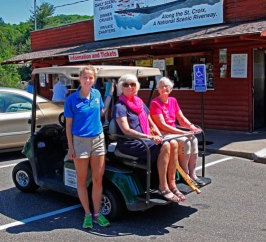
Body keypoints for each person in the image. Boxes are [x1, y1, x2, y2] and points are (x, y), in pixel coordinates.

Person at [113, 74, 185, 203]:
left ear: (136, 87)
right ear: (121, 87)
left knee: (173, 143)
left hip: (144, 139)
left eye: (133, 84)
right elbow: (126, 130)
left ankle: (172, 183)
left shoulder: (139, 102)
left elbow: (150, 121)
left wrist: (158, 135)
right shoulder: (120, 106)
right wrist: (150, 137)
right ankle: (163, 187)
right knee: (166, 145)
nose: (130, 87)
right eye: (126, 84)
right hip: (130, 142)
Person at [64, 65, 113, 229]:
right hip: (80, 142)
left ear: (94, 79)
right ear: (80, 78)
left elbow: (100, 114)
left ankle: (97, 214)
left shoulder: (97, 94)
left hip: (98, 139)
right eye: (85, 77)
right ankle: (87, 214)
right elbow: (68, 126)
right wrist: (70, 147)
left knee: (98, 179)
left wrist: (110, 95)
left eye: (91, 77)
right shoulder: (71, 99)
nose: (88, 80)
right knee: (82, 180)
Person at [150, 77, 206, 186]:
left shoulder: (173, 100)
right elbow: (162, 125)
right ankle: (185, 174)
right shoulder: (155, 103)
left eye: (166, 86)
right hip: (163, 132)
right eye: (161, 86)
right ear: (158, 89)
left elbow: (181, 118)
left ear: (171, 89)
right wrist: (182, 133)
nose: (164, 88)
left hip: (173, 130)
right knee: (185, 141)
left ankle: (193, 174)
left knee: (193, 139)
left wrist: (191, 126)